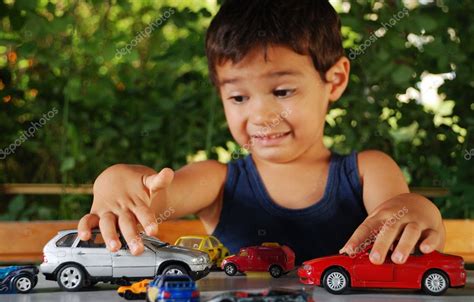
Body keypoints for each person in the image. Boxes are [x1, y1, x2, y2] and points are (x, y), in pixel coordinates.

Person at [77, 0, 445, 265]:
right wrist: (117, 181)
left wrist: (416, 208)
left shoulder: (368, 170)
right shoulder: (216, 182)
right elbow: (153, 198)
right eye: (238, 96)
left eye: (282, 91)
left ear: (335, 80)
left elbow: (398, 209)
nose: (260, 115)